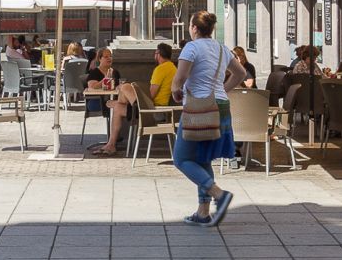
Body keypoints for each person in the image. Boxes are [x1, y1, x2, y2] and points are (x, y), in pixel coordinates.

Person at [171, 12, 245, 226]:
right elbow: (240, 74)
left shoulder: (191, 48)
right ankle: (203, 213)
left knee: (182, 159)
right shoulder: (222, 48)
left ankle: (219, 195)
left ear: (194, 28)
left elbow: (181, 77)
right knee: (202, 158)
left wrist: (176, 90)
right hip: (220, 106)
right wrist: (222, 89)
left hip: (198, 108)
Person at [90, 43, 176, 157]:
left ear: (158, 54)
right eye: (106, 56)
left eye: (155, 53)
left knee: (125, 87)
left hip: (151, 111)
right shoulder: (172, 67)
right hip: (155, 109)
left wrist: (136, 91)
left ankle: (122, 103)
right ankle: (111, 145)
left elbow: (151, 95)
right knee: (118, 107)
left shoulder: (161, 69)